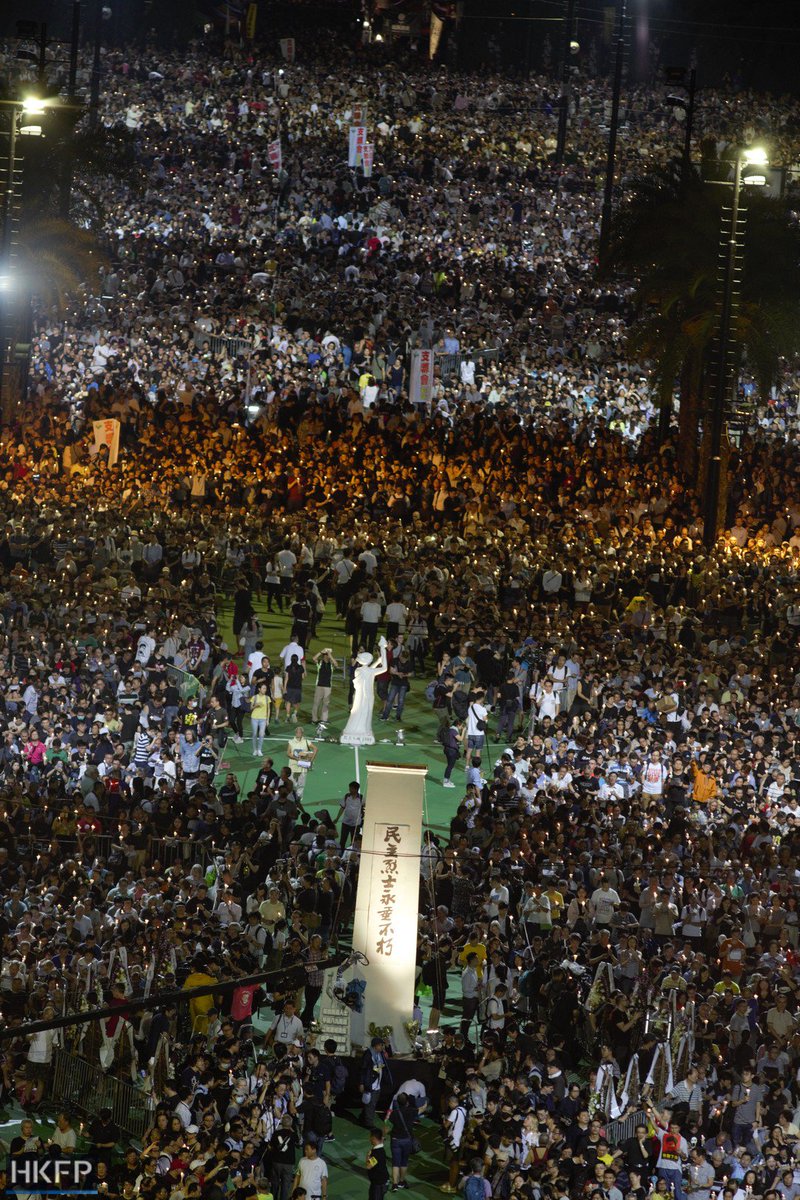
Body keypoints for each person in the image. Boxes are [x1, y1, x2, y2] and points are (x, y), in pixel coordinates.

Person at [340, 638, 388, 746]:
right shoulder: (370, 671)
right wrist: (383, 650)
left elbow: (369, 669)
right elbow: (384, 668)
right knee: (365, 712)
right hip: (368, 696)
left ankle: (356, 729)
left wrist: (378, 661)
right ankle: (363, 730)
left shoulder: (358, 670)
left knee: (357, 712)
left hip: (359, 696)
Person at [311, 649, 338, 726]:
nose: (327, 656)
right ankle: (314, 719)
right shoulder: (320, 663)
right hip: (319, 685)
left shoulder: (331, 664)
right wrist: (320, 652)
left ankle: (324, 719)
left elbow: (336, 664)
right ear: (323, 656)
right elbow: (313, 658)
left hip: (328, 687)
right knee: (316, 703)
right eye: (326, 655)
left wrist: (330, 655)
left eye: (328, 655)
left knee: (326, 704)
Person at [366, 1127, 390, 1200]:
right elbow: (382, 1139)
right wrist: (384, 1133)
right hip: (381, 1181)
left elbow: (368, 1166)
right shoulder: (380, 1146)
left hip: (378, 1184)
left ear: (374, 1138)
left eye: (370, 1137)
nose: (369, 1139)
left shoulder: (376, 1154)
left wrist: (368, 1156)